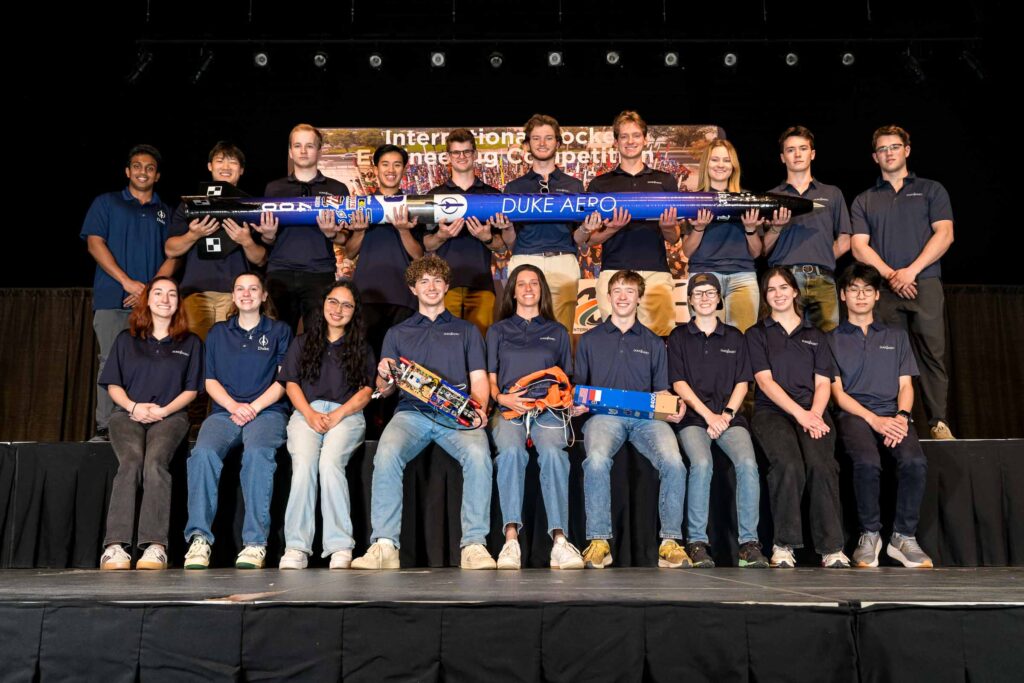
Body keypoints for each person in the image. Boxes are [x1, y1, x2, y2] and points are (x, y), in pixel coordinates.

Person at [351, 256, 496, 570]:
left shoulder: (466, 330)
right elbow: (385, 388)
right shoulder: (397, 333)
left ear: (446, 286)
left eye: (437, 281)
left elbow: (480, 380)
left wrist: (478, 411)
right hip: (410, 413)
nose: (431, 287)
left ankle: (474, 545)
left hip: (456, 415)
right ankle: (385, 545)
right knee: (387, 453)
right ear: (413, 289)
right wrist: (384, 375)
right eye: (424, 282)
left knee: (479, 455)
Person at [574, 270, 689, 569]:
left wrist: (674, 408)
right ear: (608, 297)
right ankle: (599, 541)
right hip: (603, 418)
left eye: (629, 291)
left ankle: (670, 542)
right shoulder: (589, 340)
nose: (623, 296)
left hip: (646, 420)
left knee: (674, 462)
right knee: (596, 459)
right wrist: (577, 406)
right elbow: (580, 390)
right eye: (617, 291)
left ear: (639, 297)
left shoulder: (652, 342)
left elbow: (661, 390)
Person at [851, 125, 956, 440]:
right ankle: (891, 422)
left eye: (894, 146)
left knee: (932, 355)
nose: (889, 153)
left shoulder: (931, 190)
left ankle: (938, 423)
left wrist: (910, 271)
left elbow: (945, 234)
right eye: (882, 149)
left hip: (924, 283)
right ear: (875, 157)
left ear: (907, 150)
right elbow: (858, 246)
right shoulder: (864, 199)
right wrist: (892, 275)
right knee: (885, 356)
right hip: (884, 289)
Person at [182, 273, 292, 569]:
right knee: (203, 454)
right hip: (224, 412)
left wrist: (253, 408)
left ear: (264, 295)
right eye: (240, 289)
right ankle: (199, 540)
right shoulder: (218, 333)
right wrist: (234, 406)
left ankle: (255, 543)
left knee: (257, 455)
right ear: (232, 296)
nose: (246, 294)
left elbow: (283, 381)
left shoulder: (280, 331)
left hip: (267, 412)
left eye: (253, 289)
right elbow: (210, 379)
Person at [829, 263, 933, 568]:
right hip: (855, 415)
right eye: (853, 289)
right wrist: (874, 420)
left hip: (894, 413)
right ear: (843, 295)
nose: (860, 295)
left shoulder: (897, 336)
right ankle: (870, 534)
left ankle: (903, 537)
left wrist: (901, 416)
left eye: (867, 290)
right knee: (867, 462)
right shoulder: (831, 339)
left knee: (915, 461)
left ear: (876, 296)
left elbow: (906, 385)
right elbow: (837, 394)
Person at [746, 267, 849, 568]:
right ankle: (784, 545)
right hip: (773, 413)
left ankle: (832, 548)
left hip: (813, 412)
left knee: (822, 465)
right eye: (771, 289)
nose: (778, 294)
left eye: (783, 287)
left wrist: (815, 414)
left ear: (794, 291)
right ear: (766, 297)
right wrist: (801, 415)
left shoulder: (815, 335)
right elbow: (765, 382)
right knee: (788, 465)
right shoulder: (757, 334)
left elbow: (822, 383)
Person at [98, 277, 202, 570]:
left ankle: (155, 546)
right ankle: (115, 546)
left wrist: (163, 410)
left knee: (155, 462)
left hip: (171, 416)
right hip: (127, 415)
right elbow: (112, 385)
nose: (165, 299)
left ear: (178, 303)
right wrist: (134, 407)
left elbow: (191, 390)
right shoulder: (126, 339)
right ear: (147, 300)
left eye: (171, 294)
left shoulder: (190, 342)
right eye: (158, 293)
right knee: (131, 461)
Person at [667, 273, 768, 568]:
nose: (705, 298)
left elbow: (742, 382)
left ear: (720, 298)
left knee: (748, 464)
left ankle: (749, 544)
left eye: (710, 292)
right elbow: (678, 383)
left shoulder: (735, 337)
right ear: (689, 301)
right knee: (702, 464)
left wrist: (725, 415)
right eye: (698, 293)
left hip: (728, 418)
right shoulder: (679, 337)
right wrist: (708, 415)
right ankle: (697, 542)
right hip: (695, 419)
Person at [487, 264, 583, 569]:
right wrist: (502, 397)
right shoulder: (498, 330)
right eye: (522, 284)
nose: (528, 289)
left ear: (542, 290)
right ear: (512, 291)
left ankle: (559, 542)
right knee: (511, 453)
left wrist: (570, 403)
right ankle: (511, 541)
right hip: (509, 408)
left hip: (548, 409)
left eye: (534, 284)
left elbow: (566, 379)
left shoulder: (556, 332)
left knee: (554, 454)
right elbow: (489, 378)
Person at [276, 280, 376, 569]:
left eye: (347, 305)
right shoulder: (303, 342)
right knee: (304, 465)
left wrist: (338, 415)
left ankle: (340, 547)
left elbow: (365, 392)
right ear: (323, 304)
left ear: (354, 312)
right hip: (306, 412)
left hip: (347, 415)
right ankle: (296, 548)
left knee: (330, 464)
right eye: (333, 301)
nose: (338, 309)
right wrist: (308, 414)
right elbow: (291, 383)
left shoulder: (361, 347)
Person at [81, 145, 177, 442]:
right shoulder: (106, 203)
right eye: (137, 166)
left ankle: (144, 423)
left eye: (149, 167)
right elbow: (94, 243)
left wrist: (147, 292)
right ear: (127, 171)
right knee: (110, 361)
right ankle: (105, 427)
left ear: (157, 175)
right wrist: (126, 282)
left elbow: (175, 255)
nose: (143, 171)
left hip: (152, 305)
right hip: (114, 298)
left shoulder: (166, 212)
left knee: (152, 363)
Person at [584, 111, 682, 336]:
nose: (630, 141)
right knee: (614, 342)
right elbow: (590, 240)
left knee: (660, 339)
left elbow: (674, 237)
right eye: (624, 136)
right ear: (616, 142)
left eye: (636, 135)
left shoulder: (665, 181)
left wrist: (667, 226)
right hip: (614, 271)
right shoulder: (600, 184)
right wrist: (613, 228)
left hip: (656, 272)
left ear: (645, 139)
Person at [502, 114, 599, 334]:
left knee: (561, 333)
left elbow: (578, 238)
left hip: (563, 262)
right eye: (536, 138)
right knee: (522, 333)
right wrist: (506, 228)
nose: (542, 143)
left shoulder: (573, 185)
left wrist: (586, 229)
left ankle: (562, 371)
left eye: (548, 138)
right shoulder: (514, 187)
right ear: (527, 144)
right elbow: (510, 242)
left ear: (558, 142)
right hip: (524, 260)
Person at [164, 141, 271, 341]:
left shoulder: (251, 207)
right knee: (194, 354)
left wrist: (246, 240)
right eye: (220, 161)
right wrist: (193, 235)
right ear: (210, 166)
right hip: (195, 294)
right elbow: (170, 250)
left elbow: (261, 259)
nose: (226, 167)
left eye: (232, 162)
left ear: (241, 170)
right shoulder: (191, 205)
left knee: (232, 354)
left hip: (236, 296)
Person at [264, 124, 351, 333]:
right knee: (277, 338)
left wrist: (332, 234)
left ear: (319, 151)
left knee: (319, 337)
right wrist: (267, 236)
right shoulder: (274, 189)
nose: (303, 151)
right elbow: (267, 240)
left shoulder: (337, 189)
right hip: (280, 272)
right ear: (290, 151)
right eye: (297, 145)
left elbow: (346, 238)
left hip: (319, 274)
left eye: (309, 146)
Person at [764, 126, 852, 332]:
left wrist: (820, 260)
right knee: (784, 344)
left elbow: (845, 240)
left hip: (824, 280)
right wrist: (776, 228)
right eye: (790, 150)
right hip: (784, 281)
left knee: (829, 346)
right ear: (782, 157)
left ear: (812, 154)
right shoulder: (771, 197)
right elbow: (762, 249)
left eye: (802, 149)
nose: (797, 154)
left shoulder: (832, 193)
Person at [424, 129, 507, 337]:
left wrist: (486, 237)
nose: (461, 157)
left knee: (479, 347)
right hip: (443, 285)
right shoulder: (434, 196)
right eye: (456, 153)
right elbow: (425, 245)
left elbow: (502, 246)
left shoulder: (492, 196)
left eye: (466, 152)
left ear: (475, 154)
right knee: (444, 348)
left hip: (481, 284)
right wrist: (442, 236)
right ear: (448, 157)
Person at [681, 139, 769, 332]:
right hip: (704, 275)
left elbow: (756, 253)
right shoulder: (693, 201)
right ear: (706, 164)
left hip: (742, 276)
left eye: (726, 160)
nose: (720, 165)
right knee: (706, 341)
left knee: (744, 340)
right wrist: (699, 228)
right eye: (715, 160)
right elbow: (687, 251)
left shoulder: (748, 200)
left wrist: (750, 229)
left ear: (733, 166)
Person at [347, 144, 426, 354]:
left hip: (403, 297)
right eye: (385, 164)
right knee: (366, 359)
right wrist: (360, 231)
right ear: (375, 169)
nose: (391, 170)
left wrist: (403, 231)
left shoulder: (414, 205)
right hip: (366, 297)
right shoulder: (362, 205)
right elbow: (349, 252)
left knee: (400, 362)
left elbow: (419, 256)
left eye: (397, 165)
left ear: (404, 170)